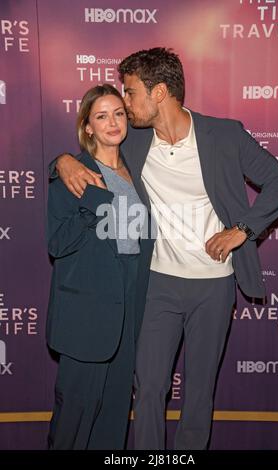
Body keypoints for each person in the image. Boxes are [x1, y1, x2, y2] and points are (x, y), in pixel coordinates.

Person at [50, 48, 278, 450]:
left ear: (159, 92)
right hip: (157, 284)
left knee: (199, 394)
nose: (124, 106)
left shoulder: (223, 135)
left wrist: (243, 230)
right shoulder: (135, 142)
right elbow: (87, 155)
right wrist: (60, 161)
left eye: (130, 94)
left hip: (213, 286)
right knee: (148, 390)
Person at [46, 84, 148, 450]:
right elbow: (57, 244)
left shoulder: (137, 167)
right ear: (87, 126)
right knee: (74, 419)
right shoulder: (72, 173)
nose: (112, 122)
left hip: (128, 315)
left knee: (114, 420)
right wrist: (94, 200)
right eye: (101, 116)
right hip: (86, 316)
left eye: (119, 113)